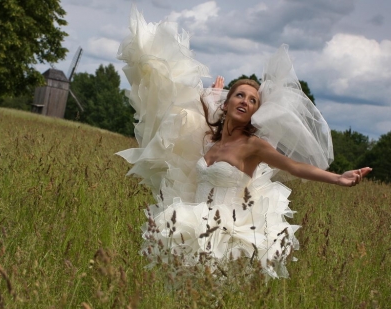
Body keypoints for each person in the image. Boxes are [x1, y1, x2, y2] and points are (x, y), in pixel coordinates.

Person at [116, 7, 371, 278]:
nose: (245, 102)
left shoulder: (253, 146)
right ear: (227, 103)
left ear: (255, 112)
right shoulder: (211, 141)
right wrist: (209, 94)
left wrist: (338, 178)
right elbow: (191, 109)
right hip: (193, 226)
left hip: (226, 234)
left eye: (252, 101)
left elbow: (294, 167)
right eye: (240, 95)